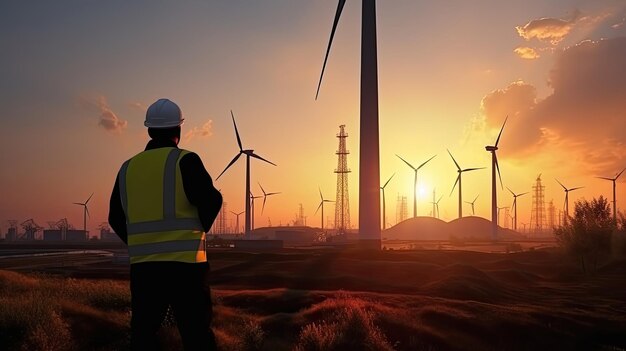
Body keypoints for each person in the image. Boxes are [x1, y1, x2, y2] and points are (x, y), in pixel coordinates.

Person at [108, 98, 222, 350]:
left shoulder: (127, 168)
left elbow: (115, 217)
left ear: (149, 130)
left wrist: (141, 244)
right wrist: (200, 228)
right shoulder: (186, 161)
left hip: (145, 271)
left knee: (142, 337)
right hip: (186, 269)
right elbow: (212, 200)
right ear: (178, 130)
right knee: (197, 337)